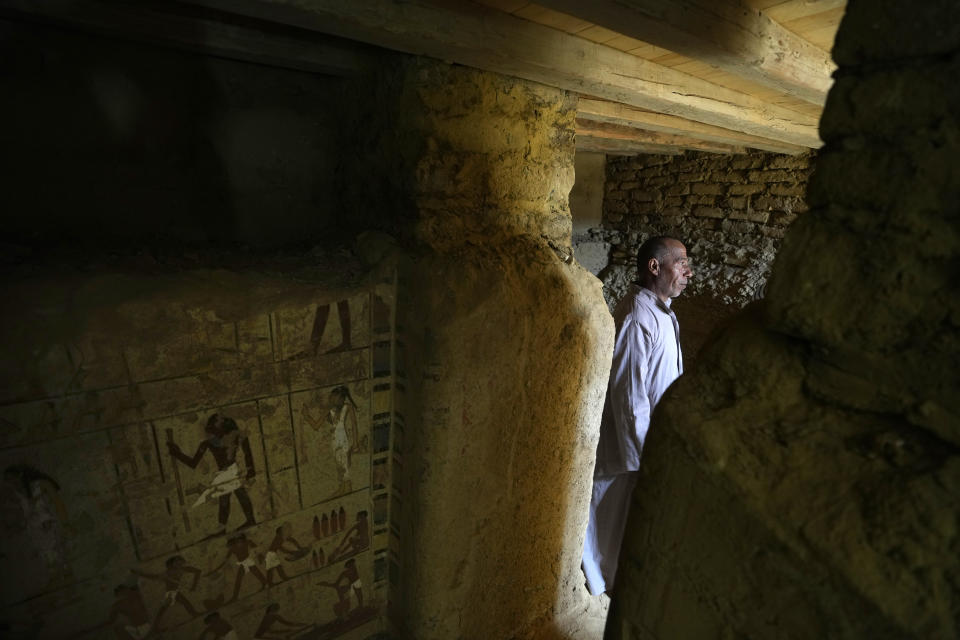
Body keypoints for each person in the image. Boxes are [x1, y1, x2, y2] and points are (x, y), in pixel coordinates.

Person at [582, 235, 692, 596]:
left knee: (622, 523)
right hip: (631, 449)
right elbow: (629, 397)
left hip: (649, 442)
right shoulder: (636, 314)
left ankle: (612, 582)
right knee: (607, 519)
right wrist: (642, 455)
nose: (688, 272)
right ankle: (599, 586)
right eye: (680, 262)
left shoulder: (661, 312)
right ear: (654, 267)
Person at [167, 413, 257, 535]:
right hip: (226, 472)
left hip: (231, 471)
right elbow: (193, 463)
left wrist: (251, 471)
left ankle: (235, 524)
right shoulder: (208, 443)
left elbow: (247, 451)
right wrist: (177, 453)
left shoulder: (233, 437)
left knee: (231, 497)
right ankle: (228, 526)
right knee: (228, 498)